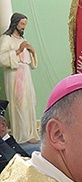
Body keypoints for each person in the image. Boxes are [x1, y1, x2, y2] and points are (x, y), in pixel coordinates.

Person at [0, 12, 38, 144]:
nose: (23, 27)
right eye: (22, 24)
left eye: (25, 24)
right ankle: (21, 134)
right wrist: (18, 51)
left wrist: (32, 52)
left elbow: (30, 63)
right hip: (14, 74)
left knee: (30, 102)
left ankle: (30, 133)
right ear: (15, 23)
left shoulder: (22, 40)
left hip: (25, 73)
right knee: (19, 103)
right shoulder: (6, 39)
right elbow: (1, 58)